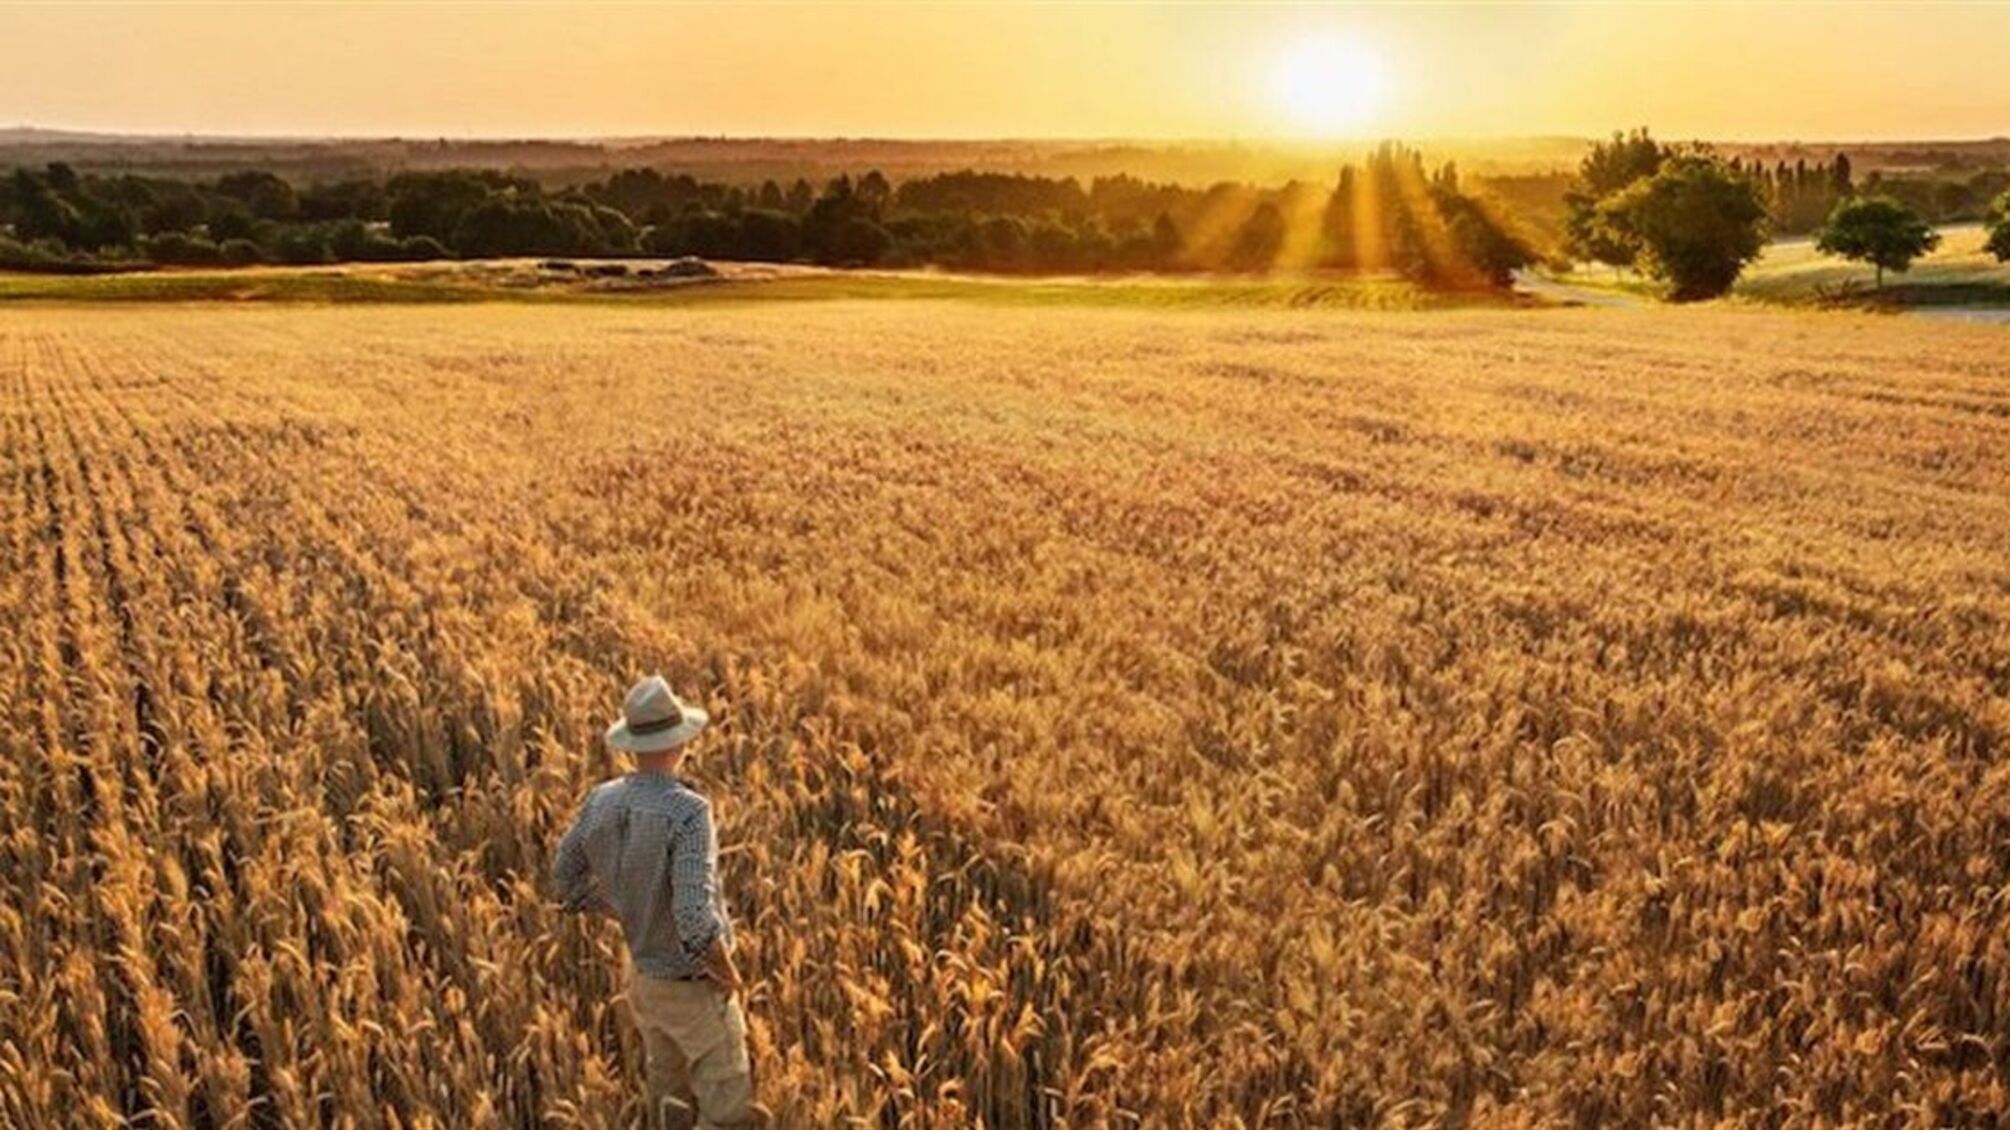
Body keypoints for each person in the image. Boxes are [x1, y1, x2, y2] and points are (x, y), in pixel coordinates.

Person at [554, 674, 758, 1129]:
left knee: (668, 1095)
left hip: (644, 978)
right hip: (693, 986)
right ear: (681, 742)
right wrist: (727, 972)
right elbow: (693, 916)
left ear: (632, 745)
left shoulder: (601, 801)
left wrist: (617, 909)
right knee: (727, 1110)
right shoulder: (689, 812)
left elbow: (564, 878)